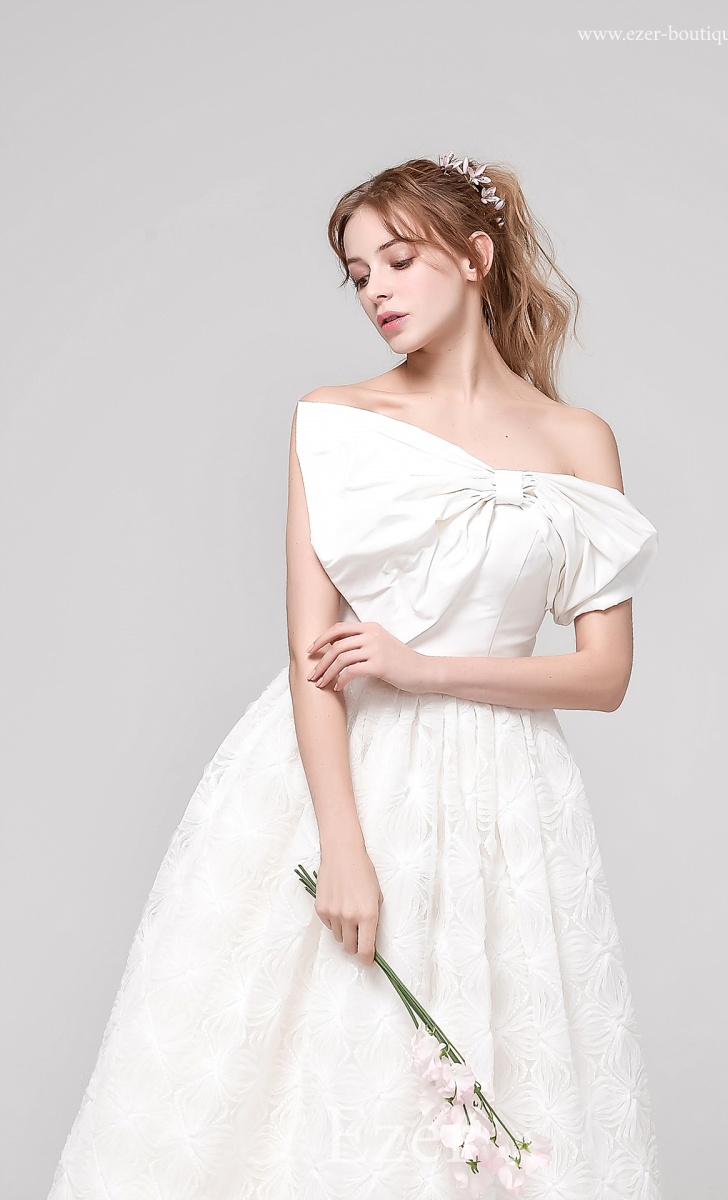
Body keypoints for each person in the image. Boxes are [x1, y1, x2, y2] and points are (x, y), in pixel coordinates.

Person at [49, 155, 661, 1199]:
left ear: (474, 257)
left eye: (398, 259)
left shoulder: (578, 441)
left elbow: (604, 676)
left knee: (503, 1071)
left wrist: (422, 667)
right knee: (319, 1080)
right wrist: (342, 845)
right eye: (358, 272)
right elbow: (311, 655)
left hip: (508, 797)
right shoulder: (332, 419)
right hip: (343, 778)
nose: (376, 289)